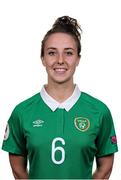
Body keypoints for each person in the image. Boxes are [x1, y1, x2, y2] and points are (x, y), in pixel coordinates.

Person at [2, 15, 118, 179]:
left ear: (78, 59)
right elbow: (18, 170)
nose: (60, 60)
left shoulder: (99, 111)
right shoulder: (22, 112)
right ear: (42, 58)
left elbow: (105, 168)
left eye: (69, 53)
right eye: (52, 53)